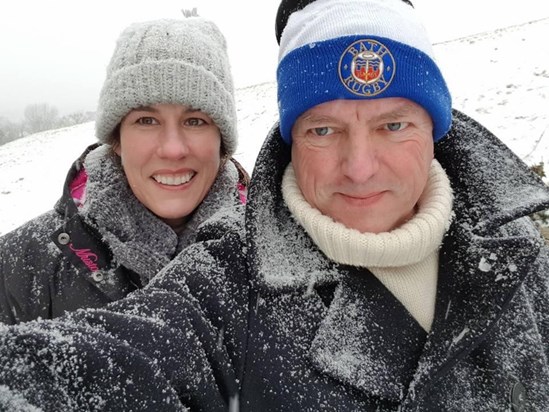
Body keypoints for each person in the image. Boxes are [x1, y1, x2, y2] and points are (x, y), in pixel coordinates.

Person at [1, 0, 549, 411]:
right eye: (323, 129)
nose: (359, 167)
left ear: (437, 128)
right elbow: (101, 364)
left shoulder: (524, 254)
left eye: (394, 124)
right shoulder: (229, 281)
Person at [0, 14, 248, 324]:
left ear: (221, 140)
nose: (173, 149)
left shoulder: (270, 259)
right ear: (116, 139)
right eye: (146, 120)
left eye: (195, 121)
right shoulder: (18, 268)